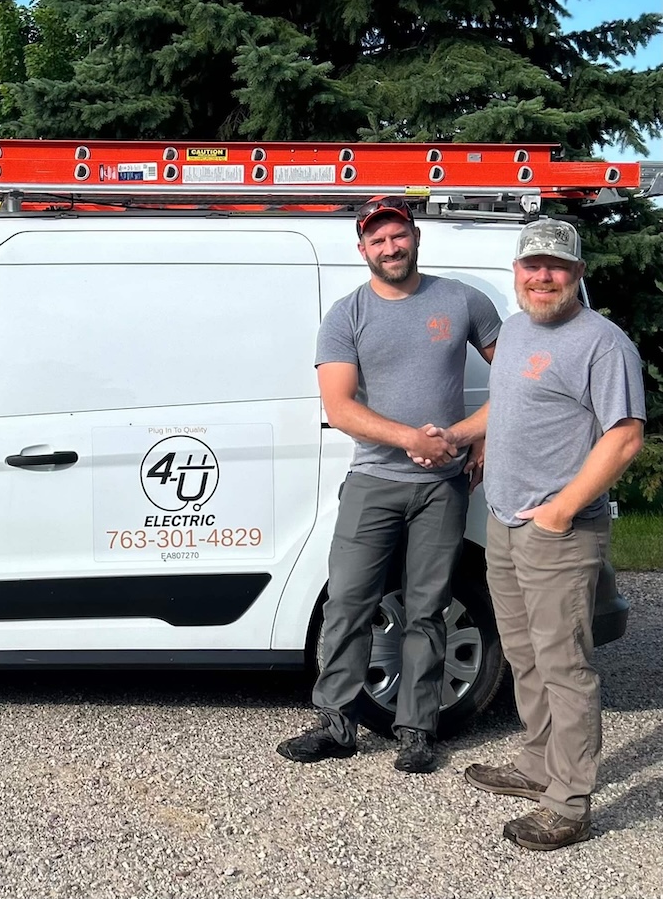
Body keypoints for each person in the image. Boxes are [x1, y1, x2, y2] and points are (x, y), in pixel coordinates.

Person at [432, 218, 645, 850]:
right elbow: (512, 402)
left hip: (560, 531)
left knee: (563, 664)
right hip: (504, 519)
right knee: (524, 655)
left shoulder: (603, 343)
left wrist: (560, 509)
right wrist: (462, 436)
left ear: (577, 273)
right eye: (532, 266)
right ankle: (536, 764)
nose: (543, 276)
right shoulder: (520, 328)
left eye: (557, 267)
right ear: (517, 272)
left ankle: (570, 802)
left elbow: (625, 435)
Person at [276, 195, 501, 773]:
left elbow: (516, 382)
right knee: (348, 602)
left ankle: (417, 727)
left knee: (427, 608)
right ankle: (336, 722)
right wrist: (412, 439)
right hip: (374, 480)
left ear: (415, 237)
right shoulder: (347, 314)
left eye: (397, 235)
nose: (389, 247)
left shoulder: (462, 301)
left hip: (442, 487)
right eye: (377, 240)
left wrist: (474, 436)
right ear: (362, 250)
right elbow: (340, 407)